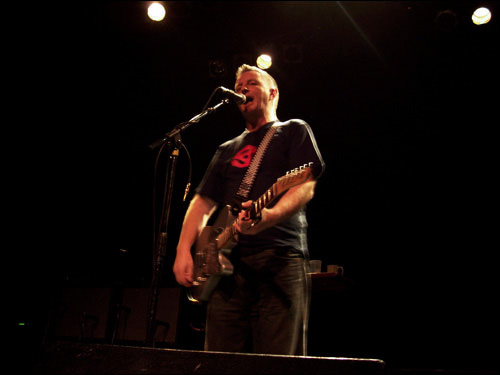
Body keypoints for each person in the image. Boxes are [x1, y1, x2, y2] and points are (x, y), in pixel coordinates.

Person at [173, 64, 325, 355]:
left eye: (251, 83)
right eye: (239, 85)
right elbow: (202, 202)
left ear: (272, 92)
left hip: (279, 259)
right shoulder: (226, 148)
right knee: (220, 359)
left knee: (278, 361)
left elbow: (304, 185)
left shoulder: (293, 130)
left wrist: (270, 216)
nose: (242, 89)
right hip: (226, 269)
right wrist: (183, 250)